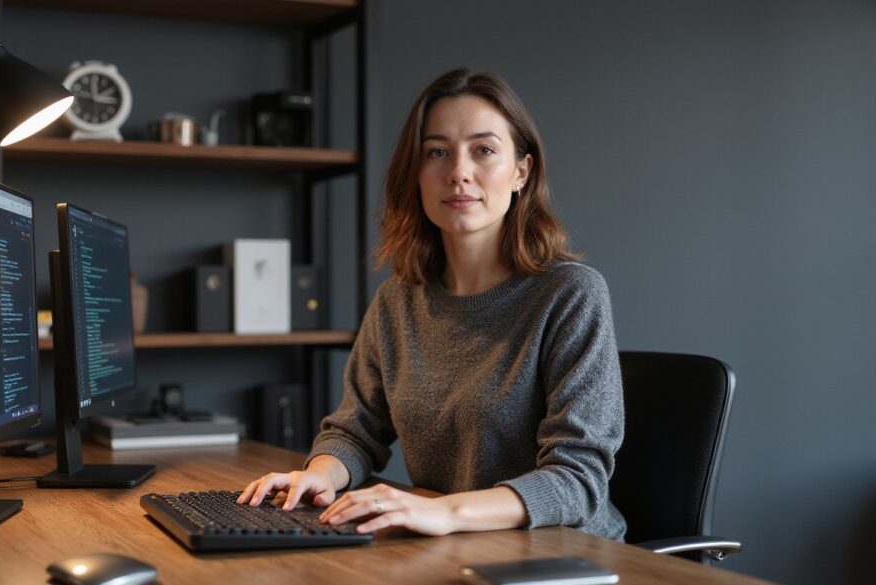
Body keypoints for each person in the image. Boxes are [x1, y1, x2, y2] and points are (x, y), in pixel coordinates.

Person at [238, 68, 626, 540]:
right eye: (437, 152)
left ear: (521, 172)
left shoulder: (570, 295)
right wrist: (320, 475)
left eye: (483, 150)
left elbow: (578, 482)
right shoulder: (396, 302)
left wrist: (443, 513)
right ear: (417, 174)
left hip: (561, 558)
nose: (459, 171)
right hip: (449, 549)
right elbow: (355, 432)